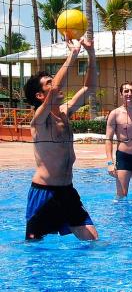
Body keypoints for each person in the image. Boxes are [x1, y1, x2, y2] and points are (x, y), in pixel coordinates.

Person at [23, 37, 98, 241]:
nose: (55, 84)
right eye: (49, 82)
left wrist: (90, 53)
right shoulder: (39, 121)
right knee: (34, 249)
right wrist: (72, 55)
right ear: (40, 95)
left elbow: (89, 88)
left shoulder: (65, 112)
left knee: (92, 241)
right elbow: (56, 87)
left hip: (67, 191)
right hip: (44, 194)